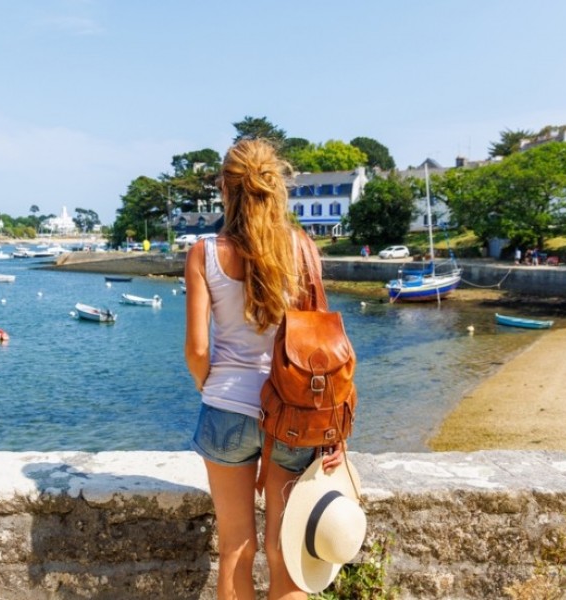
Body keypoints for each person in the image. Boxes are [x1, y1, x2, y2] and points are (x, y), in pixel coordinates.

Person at [184, 139, 345, 600]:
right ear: (278, 188)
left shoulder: (205, 253)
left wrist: (211, 386)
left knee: (236, 546)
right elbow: (323, 352)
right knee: (287, 549)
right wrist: (333, 428)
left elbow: (197, 350)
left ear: (224, 188)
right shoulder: (303, 248)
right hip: (293, 413)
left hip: (225, 411)